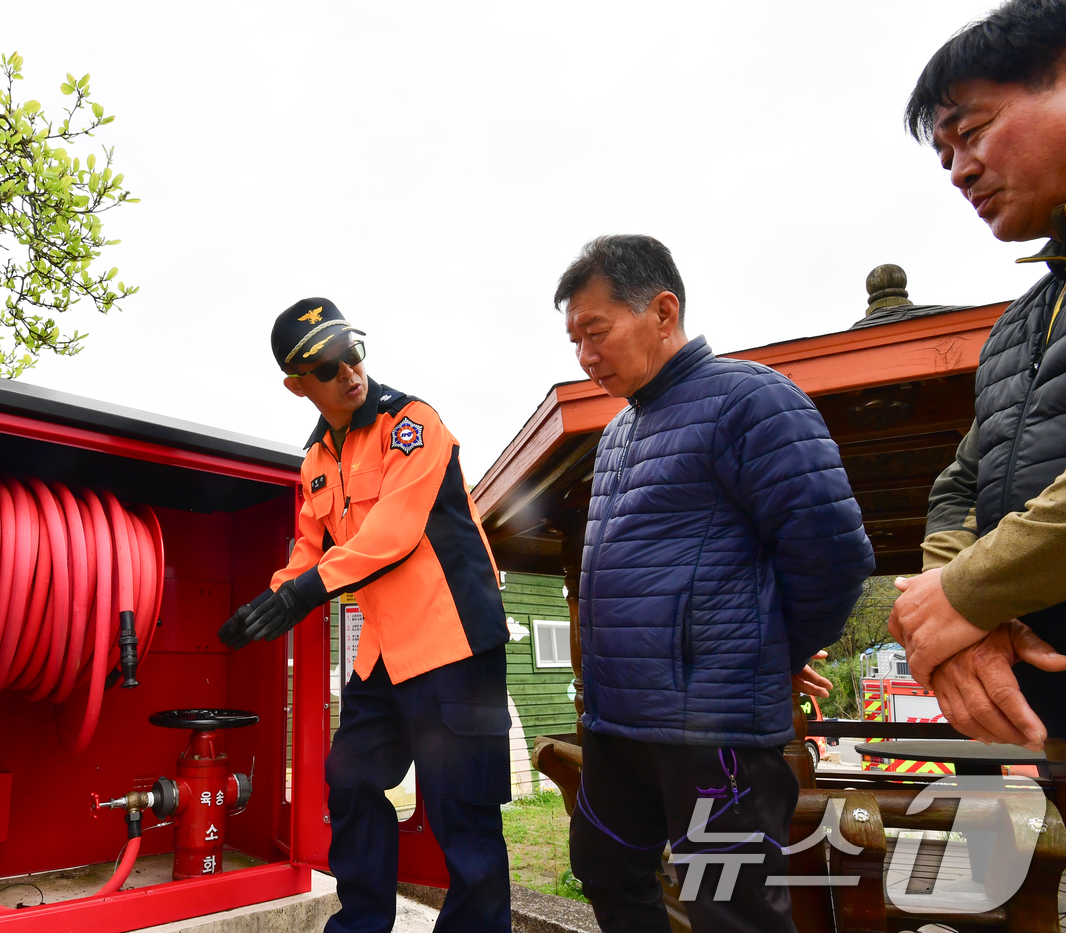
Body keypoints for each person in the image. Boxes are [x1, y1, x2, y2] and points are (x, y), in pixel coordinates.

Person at [559, 235, 874, 933]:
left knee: (729, 909)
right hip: (618, 722)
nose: (584, 356)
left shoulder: (751, 400)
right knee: (607, 872)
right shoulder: (616, 434)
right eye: (574, 339)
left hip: (714, 727)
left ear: (662, 311)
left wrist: (780, 647)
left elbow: (832, 551)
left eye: (596, 331)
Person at [218, 299, 512, 933]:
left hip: (455, 642)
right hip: (382, 651)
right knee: (349, 781)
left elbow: (392, 534)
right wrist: (273, 598)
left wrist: (302, 596)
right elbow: (310, 547)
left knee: (464, 813)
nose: (349, 371)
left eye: (352, 351)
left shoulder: (413, 422)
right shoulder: (316, 459)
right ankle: (361, 925)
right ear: (298, 386)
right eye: (327, 367)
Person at [890, 0, 1066, 751]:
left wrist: (963, 595)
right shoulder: (1016, 328)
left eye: (974, 130)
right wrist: (954, 620)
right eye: (945, 154)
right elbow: (960, 483)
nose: (960, 169)